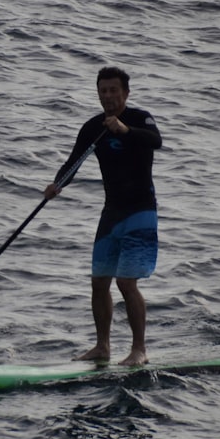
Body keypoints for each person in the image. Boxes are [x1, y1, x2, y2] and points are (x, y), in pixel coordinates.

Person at [43, 66, 162, 366]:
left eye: (113, 90)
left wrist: (125, 131)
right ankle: (102, 347)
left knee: (126, 282)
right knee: (99, 282)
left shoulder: (139, 118)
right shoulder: (92, 127)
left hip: (140, 210)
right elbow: (73, 162)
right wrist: (58, 185)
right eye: (103, 91)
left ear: (126, 93)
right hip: (111, 212)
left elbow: (155, 140)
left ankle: (139, 350)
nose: (108, 96)